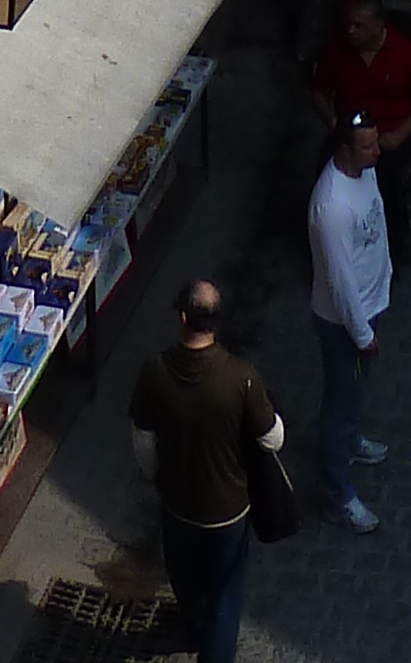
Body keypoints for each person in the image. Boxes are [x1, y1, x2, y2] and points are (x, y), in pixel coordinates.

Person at [129, 276, 283, 663]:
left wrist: (158, 477)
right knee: (225, 597)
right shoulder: (241, 378)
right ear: (216, 322)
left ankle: (197, 625)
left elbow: (143, 442)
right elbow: (272, 439)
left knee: (185, 579)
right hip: (228, 513)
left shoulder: (155, 372)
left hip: (178, 506)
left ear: (182, 318)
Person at [307, 106, 393, 528]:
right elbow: (340, 282)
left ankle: (351, 443)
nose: (377, 151)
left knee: (352, 394)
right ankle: (336, 493)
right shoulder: (332, 208)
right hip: (345, 323)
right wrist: (362, 335)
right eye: (367, 146)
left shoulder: (364, 172)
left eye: (376, 142)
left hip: (369, 306)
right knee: (339, 404)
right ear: (344, 150)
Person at [310, 0, 411, 256]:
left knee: (389, 182)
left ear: (379, 25)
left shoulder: (407, 54)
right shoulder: (336, 52)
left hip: (389, 134)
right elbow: (319, 91)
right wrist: (331, 119)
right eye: (349, 25)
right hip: (349, 132)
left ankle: (395, 242)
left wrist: (398, 136)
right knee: (324, 178)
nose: (351, 31)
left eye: (359, 26)